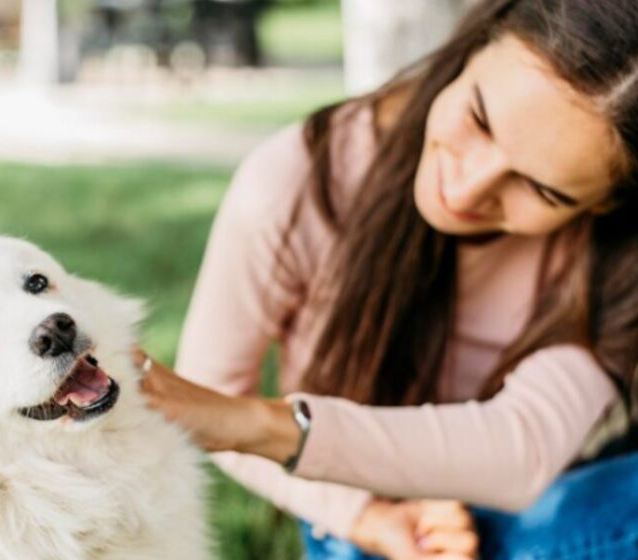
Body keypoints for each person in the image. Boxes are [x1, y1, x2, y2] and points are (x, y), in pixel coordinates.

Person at [135, 0, 638, 558]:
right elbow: (212, 403)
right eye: (478, 118)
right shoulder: (295, 181)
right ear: (475, 43)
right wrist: (363, 515)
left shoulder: (617, 253)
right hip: (363, 512)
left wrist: (269, 426)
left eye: (543, 190)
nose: (467, 189)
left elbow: (524, 448)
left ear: (605, 205)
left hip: (542, 508)